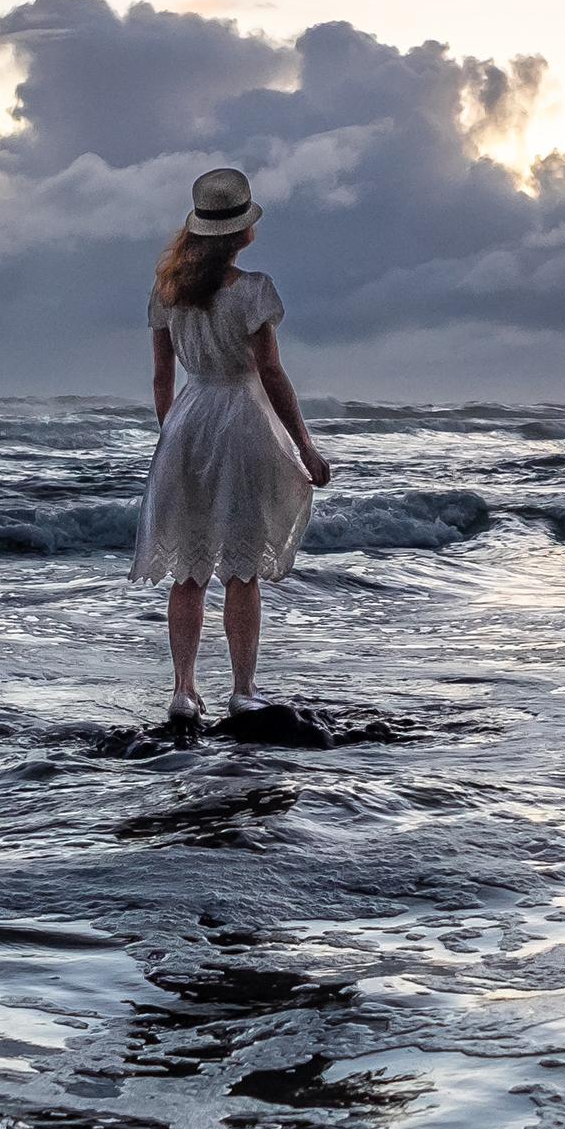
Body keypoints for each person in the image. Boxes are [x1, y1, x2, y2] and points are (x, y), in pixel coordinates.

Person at [130, 167, 330, 721]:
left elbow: (161, 377)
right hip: (241, 421)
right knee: (241, 567)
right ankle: (242, 690)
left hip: (188, 423)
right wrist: (306, 449)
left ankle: (183, 691)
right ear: (240, 231)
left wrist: (171, 434)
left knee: (188, 568)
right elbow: (270, 372)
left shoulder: (167, 290)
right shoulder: (254, 290)